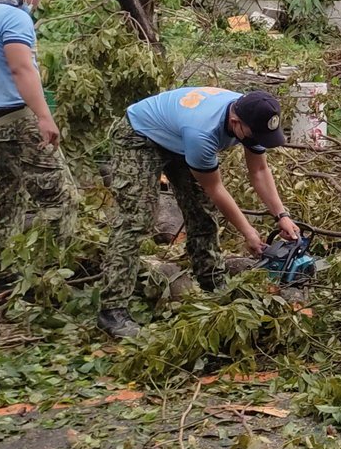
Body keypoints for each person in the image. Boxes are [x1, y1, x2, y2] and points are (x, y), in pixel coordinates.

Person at [100, 85, 298, 338]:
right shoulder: (203, 132)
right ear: (235, 122)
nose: (258, 140)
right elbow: (215, 188)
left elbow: (259, 171)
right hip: (140, 136)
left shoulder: (252, 113)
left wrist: (282, 215)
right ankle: (112, 310)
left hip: (179, 136)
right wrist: (248, 233)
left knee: (202, 213)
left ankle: (212, 282)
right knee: (137, 219)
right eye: (255, 135)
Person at [0, 0, 78, 301]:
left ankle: (3, 282)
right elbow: (21, 68)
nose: (38, 0)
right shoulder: (15, 18)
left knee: (5, 202)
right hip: (19, 120)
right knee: (62, 198)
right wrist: (44, 116)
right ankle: (51, 280)